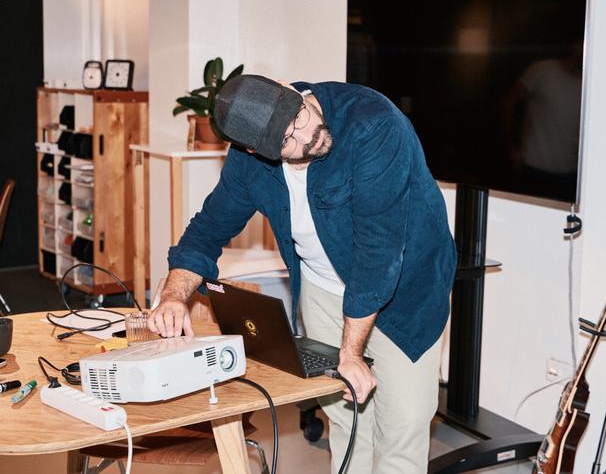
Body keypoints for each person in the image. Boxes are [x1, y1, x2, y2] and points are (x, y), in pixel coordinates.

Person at [147, 74, 457, 474]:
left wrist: (350, 353)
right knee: (347, 421)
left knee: (401, 431)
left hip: (407, 292)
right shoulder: (248, 163)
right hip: (322, 289)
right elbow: (208, 228)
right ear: (254, 150)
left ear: (289, 89)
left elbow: (379, 254)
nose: (306, 136)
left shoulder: (373, 124)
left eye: (299, 116)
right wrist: (174, 295)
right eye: (286, 142)